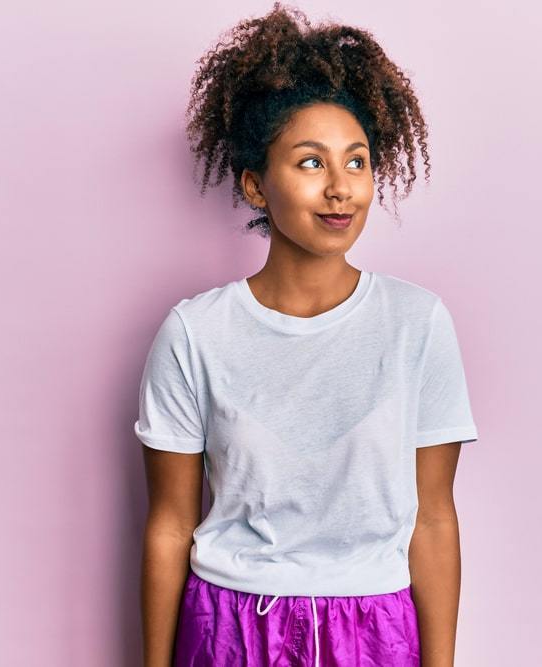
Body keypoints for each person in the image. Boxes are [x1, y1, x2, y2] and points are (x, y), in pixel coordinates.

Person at [137, 4, 480, 665]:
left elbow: (434, 518)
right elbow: (169, 523)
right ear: (255, 185)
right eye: (309, 163)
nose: (339, 189)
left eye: (356, 162)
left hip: (377, 629)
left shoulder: (416, 324)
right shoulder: (194, 333)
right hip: (230, 627)